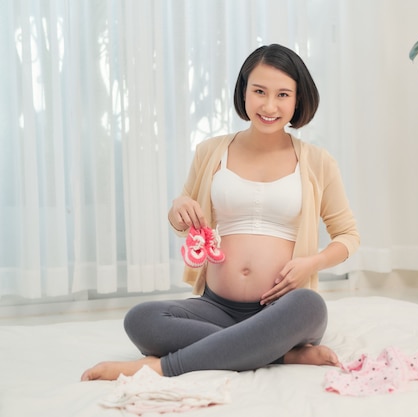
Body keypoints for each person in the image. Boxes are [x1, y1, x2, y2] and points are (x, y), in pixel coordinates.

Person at [81, 44, 360, 381]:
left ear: (297, 100)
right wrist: (178, 207)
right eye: (259, 91)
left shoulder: (318, 161)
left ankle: (162, 367)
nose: (269, 105)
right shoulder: (211, 151)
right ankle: (279, 353)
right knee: (140, 319)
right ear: (243, 91)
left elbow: (348, 235)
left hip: (283, 310)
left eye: (283, 94)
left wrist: (311, 264)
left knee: (309, 306)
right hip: (215, 308)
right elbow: (181, 219)